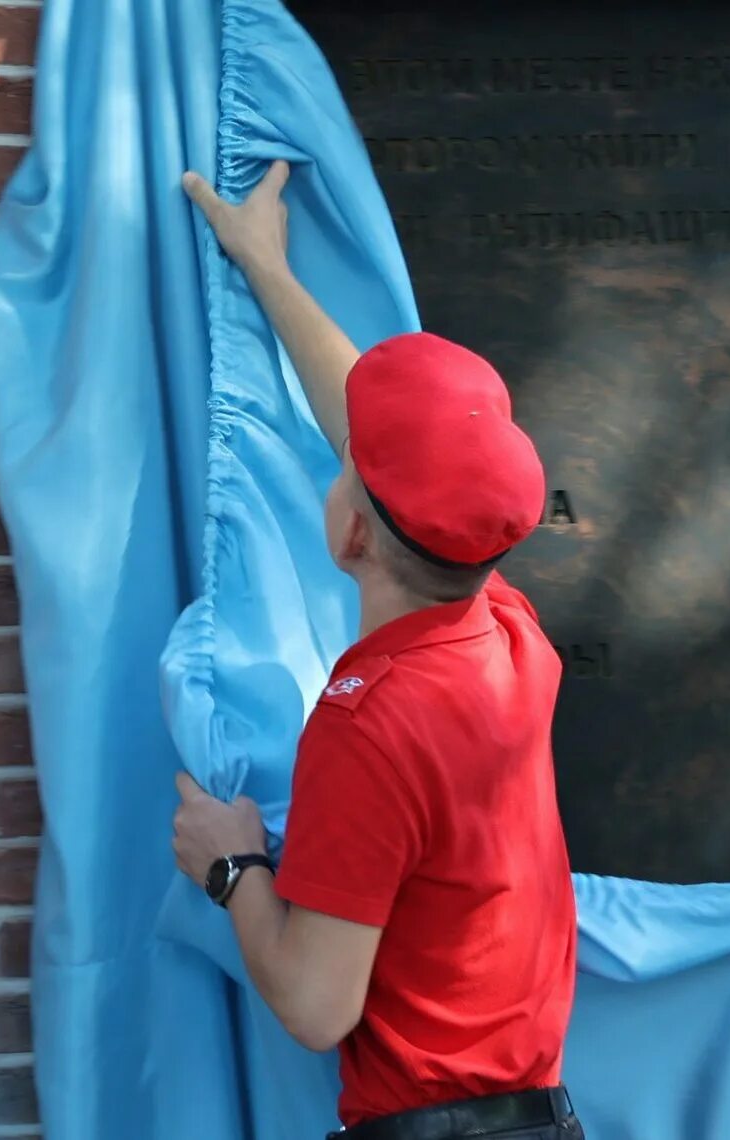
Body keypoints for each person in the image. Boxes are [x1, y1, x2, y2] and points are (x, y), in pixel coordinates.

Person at [168, 160, 584, 1140]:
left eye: (347, 466)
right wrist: (265, 267)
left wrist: (233, 869)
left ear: (350, 533)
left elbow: (318, 1006)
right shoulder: (507, 636)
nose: (344, 450)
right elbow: (376, 425)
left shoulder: (369, 723)